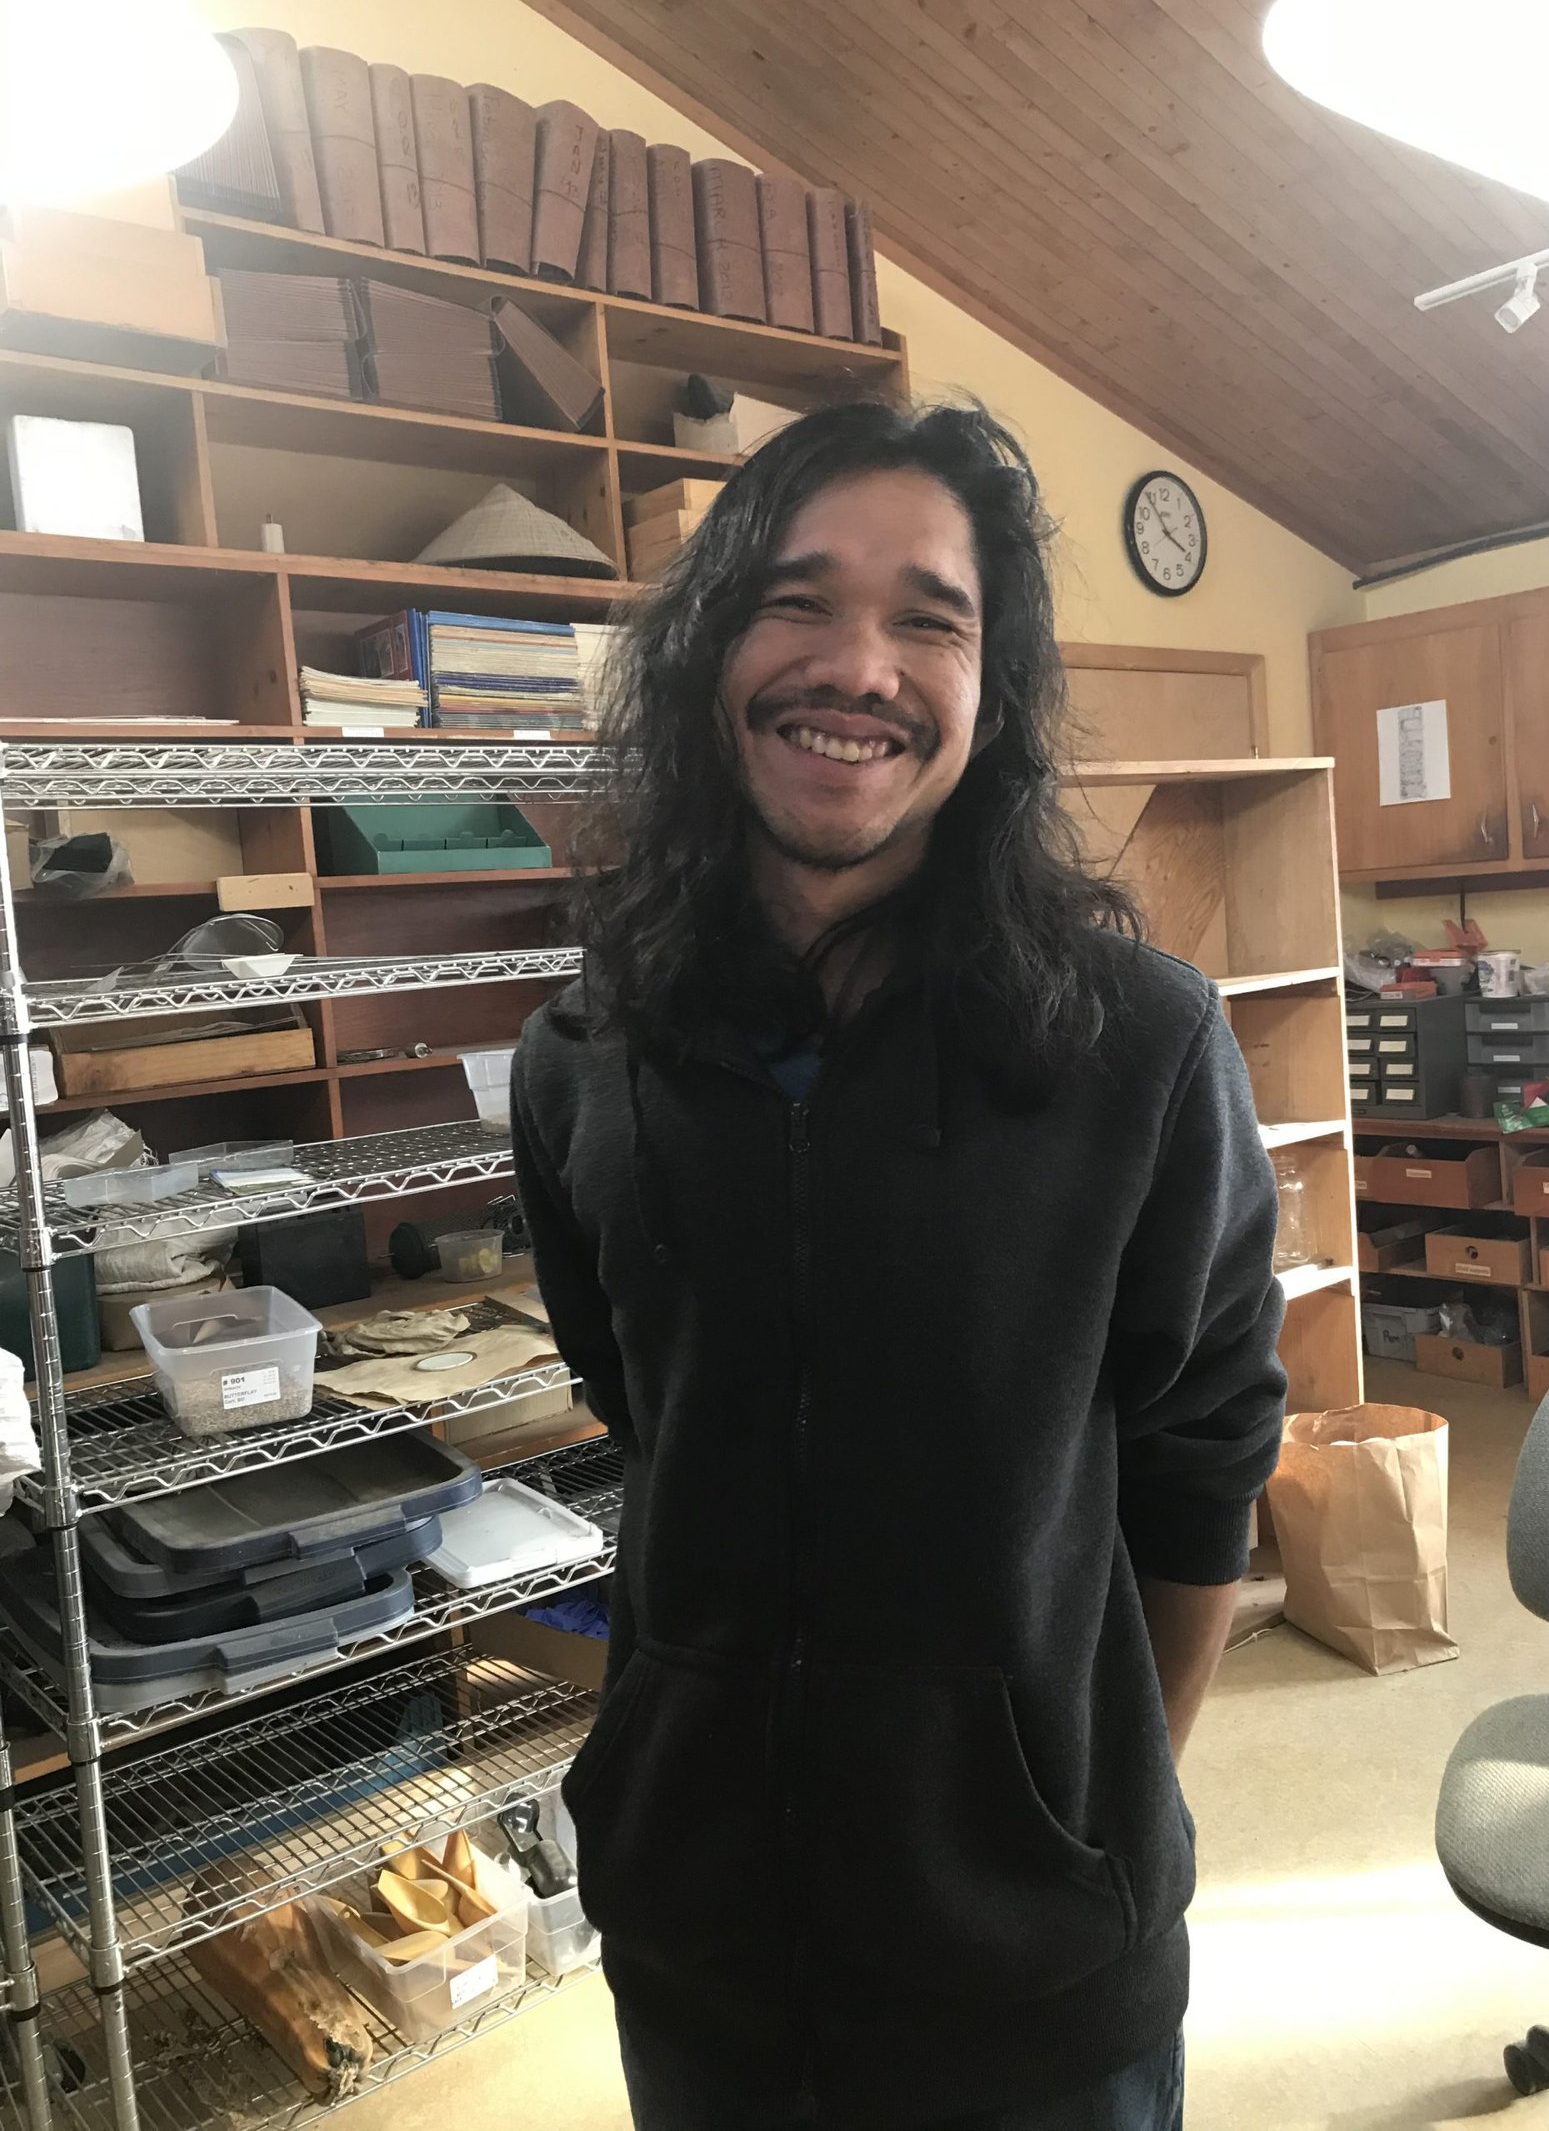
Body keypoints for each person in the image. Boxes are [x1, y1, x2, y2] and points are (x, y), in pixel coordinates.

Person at [510, 399, 1286, 2131]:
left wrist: (1082, 1812)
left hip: (1036, 1981)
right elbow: (643, 1409)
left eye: (928, 619)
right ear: (709, 653)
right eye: (797, 601)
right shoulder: (579, 1060)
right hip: (698, 1946)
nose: (857, 667)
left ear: (990, 694)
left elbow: (1204, 1461)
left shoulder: (1143, 1048)